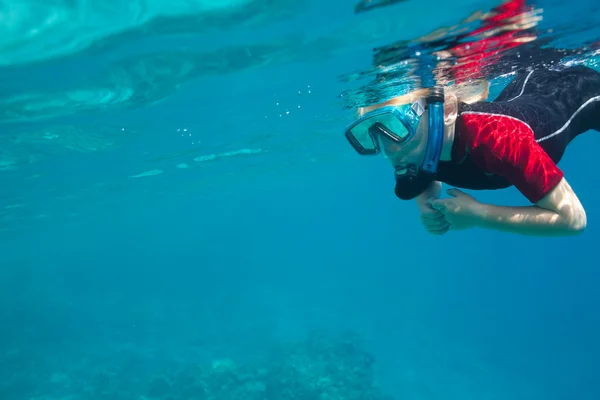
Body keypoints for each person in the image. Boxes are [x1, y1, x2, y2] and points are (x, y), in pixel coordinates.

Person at [343, 64, 600, 236]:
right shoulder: (411, 146)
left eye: (396, 125)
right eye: (372, 133)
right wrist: (426, 205)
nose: (387, 146)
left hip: (580, 89)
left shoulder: (499, 141)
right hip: (527, 87)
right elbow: (423, 177)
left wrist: (479, 214)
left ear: (445, 112)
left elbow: (573, 219)